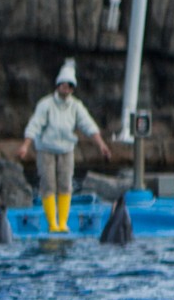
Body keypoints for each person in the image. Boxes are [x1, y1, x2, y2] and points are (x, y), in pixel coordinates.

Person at [22, 59, 109, 234]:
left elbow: (88, 125)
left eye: (69, 86)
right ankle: (52, 222)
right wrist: (26, 145)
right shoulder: (46, 104)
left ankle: (62, 222)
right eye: (63, 85)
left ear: (72, 88)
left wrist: (101, 145)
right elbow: (35, 124)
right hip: (46, 148)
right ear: (57, 85)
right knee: (48, 184)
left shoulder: (75, 106)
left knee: (65, 184)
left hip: (66, 149)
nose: (66, 88)